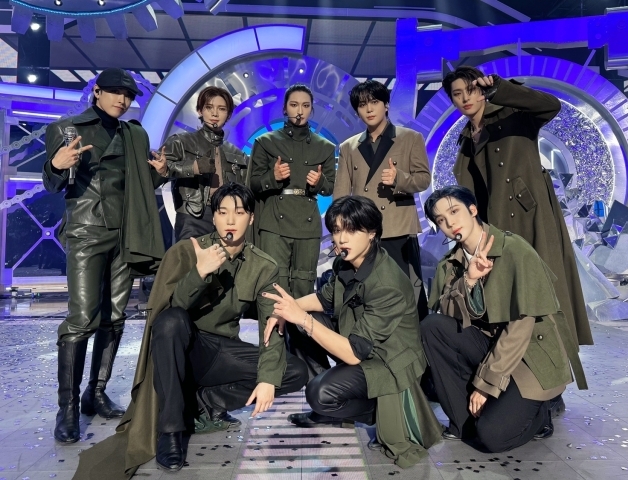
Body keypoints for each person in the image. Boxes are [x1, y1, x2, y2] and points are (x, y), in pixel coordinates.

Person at [73, 183, 308, 478]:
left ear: (251, 218)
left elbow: (270, 328)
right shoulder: (189, 252)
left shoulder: (263, 265)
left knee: (293, 371)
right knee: (172, 321)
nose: (230, 220)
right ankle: (171, 430)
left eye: (239, 213)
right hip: (183, 348)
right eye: (223, 212)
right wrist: (200, 272)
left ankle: (205, 402)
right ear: (214, 217)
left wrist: (268, 380)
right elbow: (168, 312)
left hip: (220, 352)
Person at [262, 195, 442, 468]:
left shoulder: (387, 283)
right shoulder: (348, 262)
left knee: (319, 394)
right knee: (298, 325)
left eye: (351, 230)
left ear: (372, 233)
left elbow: (354, 353)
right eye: (336, 230)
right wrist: (285, 311)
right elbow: (323, 298)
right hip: (361, 342)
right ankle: (336, 402)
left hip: (388, 360)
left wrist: (303, 319)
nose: (341, 238)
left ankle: (371, 409)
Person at [42, 68, 168, 444]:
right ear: (96, 92)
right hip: (87, 231)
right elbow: (52, 183)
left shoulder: (134, 134)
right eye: (115, 92)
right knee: (83, 318)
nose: (122, 100)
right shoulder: (67, 129)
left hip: (126, 233)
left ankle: (94, 394)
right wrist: (56, 165)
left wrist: (159, 174)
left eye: (128, 95)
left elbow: (139, 185)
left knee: (114, 317)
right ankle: (66, 409)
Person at [421, 185, 587, 452]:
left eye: (454, 211)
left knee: (493, 437)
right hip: (490, 347)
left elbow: (520, 328)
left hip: (529, 354)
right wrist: (469, 281)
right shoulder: (450, 263)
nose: (449, 223)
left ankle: (541, 414)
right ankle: (462, 422)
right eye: (441, 220)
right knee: (432, 327)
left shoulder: (515, 249)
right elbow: (450, 320)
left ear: (472, 210)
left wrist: (485, 385)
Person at [443, 66, 592, 353]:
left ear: (483, 90)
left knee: (544, 289)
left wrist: (501, 89)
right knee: (509, 295)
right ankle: (516, 360)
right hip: (493, 226)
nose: (465, 99)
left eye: (471, 90)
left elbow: (551, 106)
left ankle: (555, 361)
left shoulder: (512, 114)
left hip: (528, 217)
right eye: (457, 94)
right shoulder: (466, 138)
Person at [248, 83, 336, 379]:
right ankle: (272, 371)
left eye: (305, 105)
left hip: (307, 223)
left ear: (312, 109)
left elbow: (330, 186)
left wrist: (319, 183)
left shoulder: (325, 147)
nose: (300, 110)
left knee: (303, 291)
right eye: (294, 105)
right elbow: (252, 185)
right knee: (274, 292)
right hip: (274, 221)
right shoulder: (266, 142)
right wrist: (273, 177)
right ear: (285, 108)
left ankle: (310, 371)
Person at [333, 80, 430, 320]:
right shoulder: (348, 147)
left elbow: (424, 179)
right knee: (366, 290)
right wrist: (339, 232)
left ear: (386, 105)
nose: (369, 109)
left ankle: (416, 337)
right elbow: (341, 196)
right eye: (362, 105)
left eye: (374, 102)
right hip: (362, 230)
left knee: (406, 289)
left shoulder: (410, 138)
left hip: (397, 226)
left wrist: (399, 179)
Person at [162, 86, 250, 240]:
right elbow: (160, 172)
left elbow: (249, 185)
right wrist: (193, 168)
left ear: (229, 114)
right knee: (191, 255)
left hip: (227, 218)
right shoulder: (181, 142)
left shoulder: (237, 153)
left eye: (221, 109)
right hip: (193, 216)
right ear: (199, 110)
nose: (215, 113)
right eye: (209, 107)